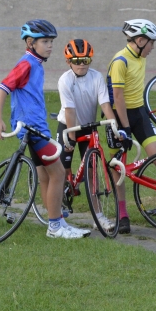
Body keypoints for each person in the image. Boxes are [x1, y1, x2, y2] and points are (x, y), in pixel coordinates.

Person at [0, 19, 89, 240]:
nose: (50, 45)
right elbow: (3, 87)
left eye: (51, 41)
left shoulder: (35, 64)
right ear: (30, 43)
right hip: (32, 129)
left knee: (45, 176)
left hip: (36, 128)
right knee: (58, 174)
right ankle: (55, 226)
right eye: (45, 41)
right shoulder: (27, 64)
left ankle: (56, 221)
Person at [106, 19, 156, 234]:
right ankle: (123, 215)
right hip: (119, 117)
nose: (153, 47)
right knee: (117, 167)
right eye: (151, 43)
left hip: (139, 113)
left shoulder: (139, 57)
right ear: (139, 41)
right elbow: (118, 97)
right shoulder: (120, 61)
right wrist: (126, 128)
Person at [55, 38, 115, 232]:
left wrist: (114, 124)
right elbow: (70, 111)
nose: (82, 65)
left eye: (86, 60)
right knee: (61, 169)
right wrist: (71, 139)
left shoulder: (96, 77)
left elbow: (105, 104)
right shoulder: (65, 80)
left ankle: (98, 216)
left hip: (89, 127)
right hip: (68, 125)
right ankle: (57, 211)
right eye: (77, 61)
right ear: (68, 62)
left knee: (91, 173)